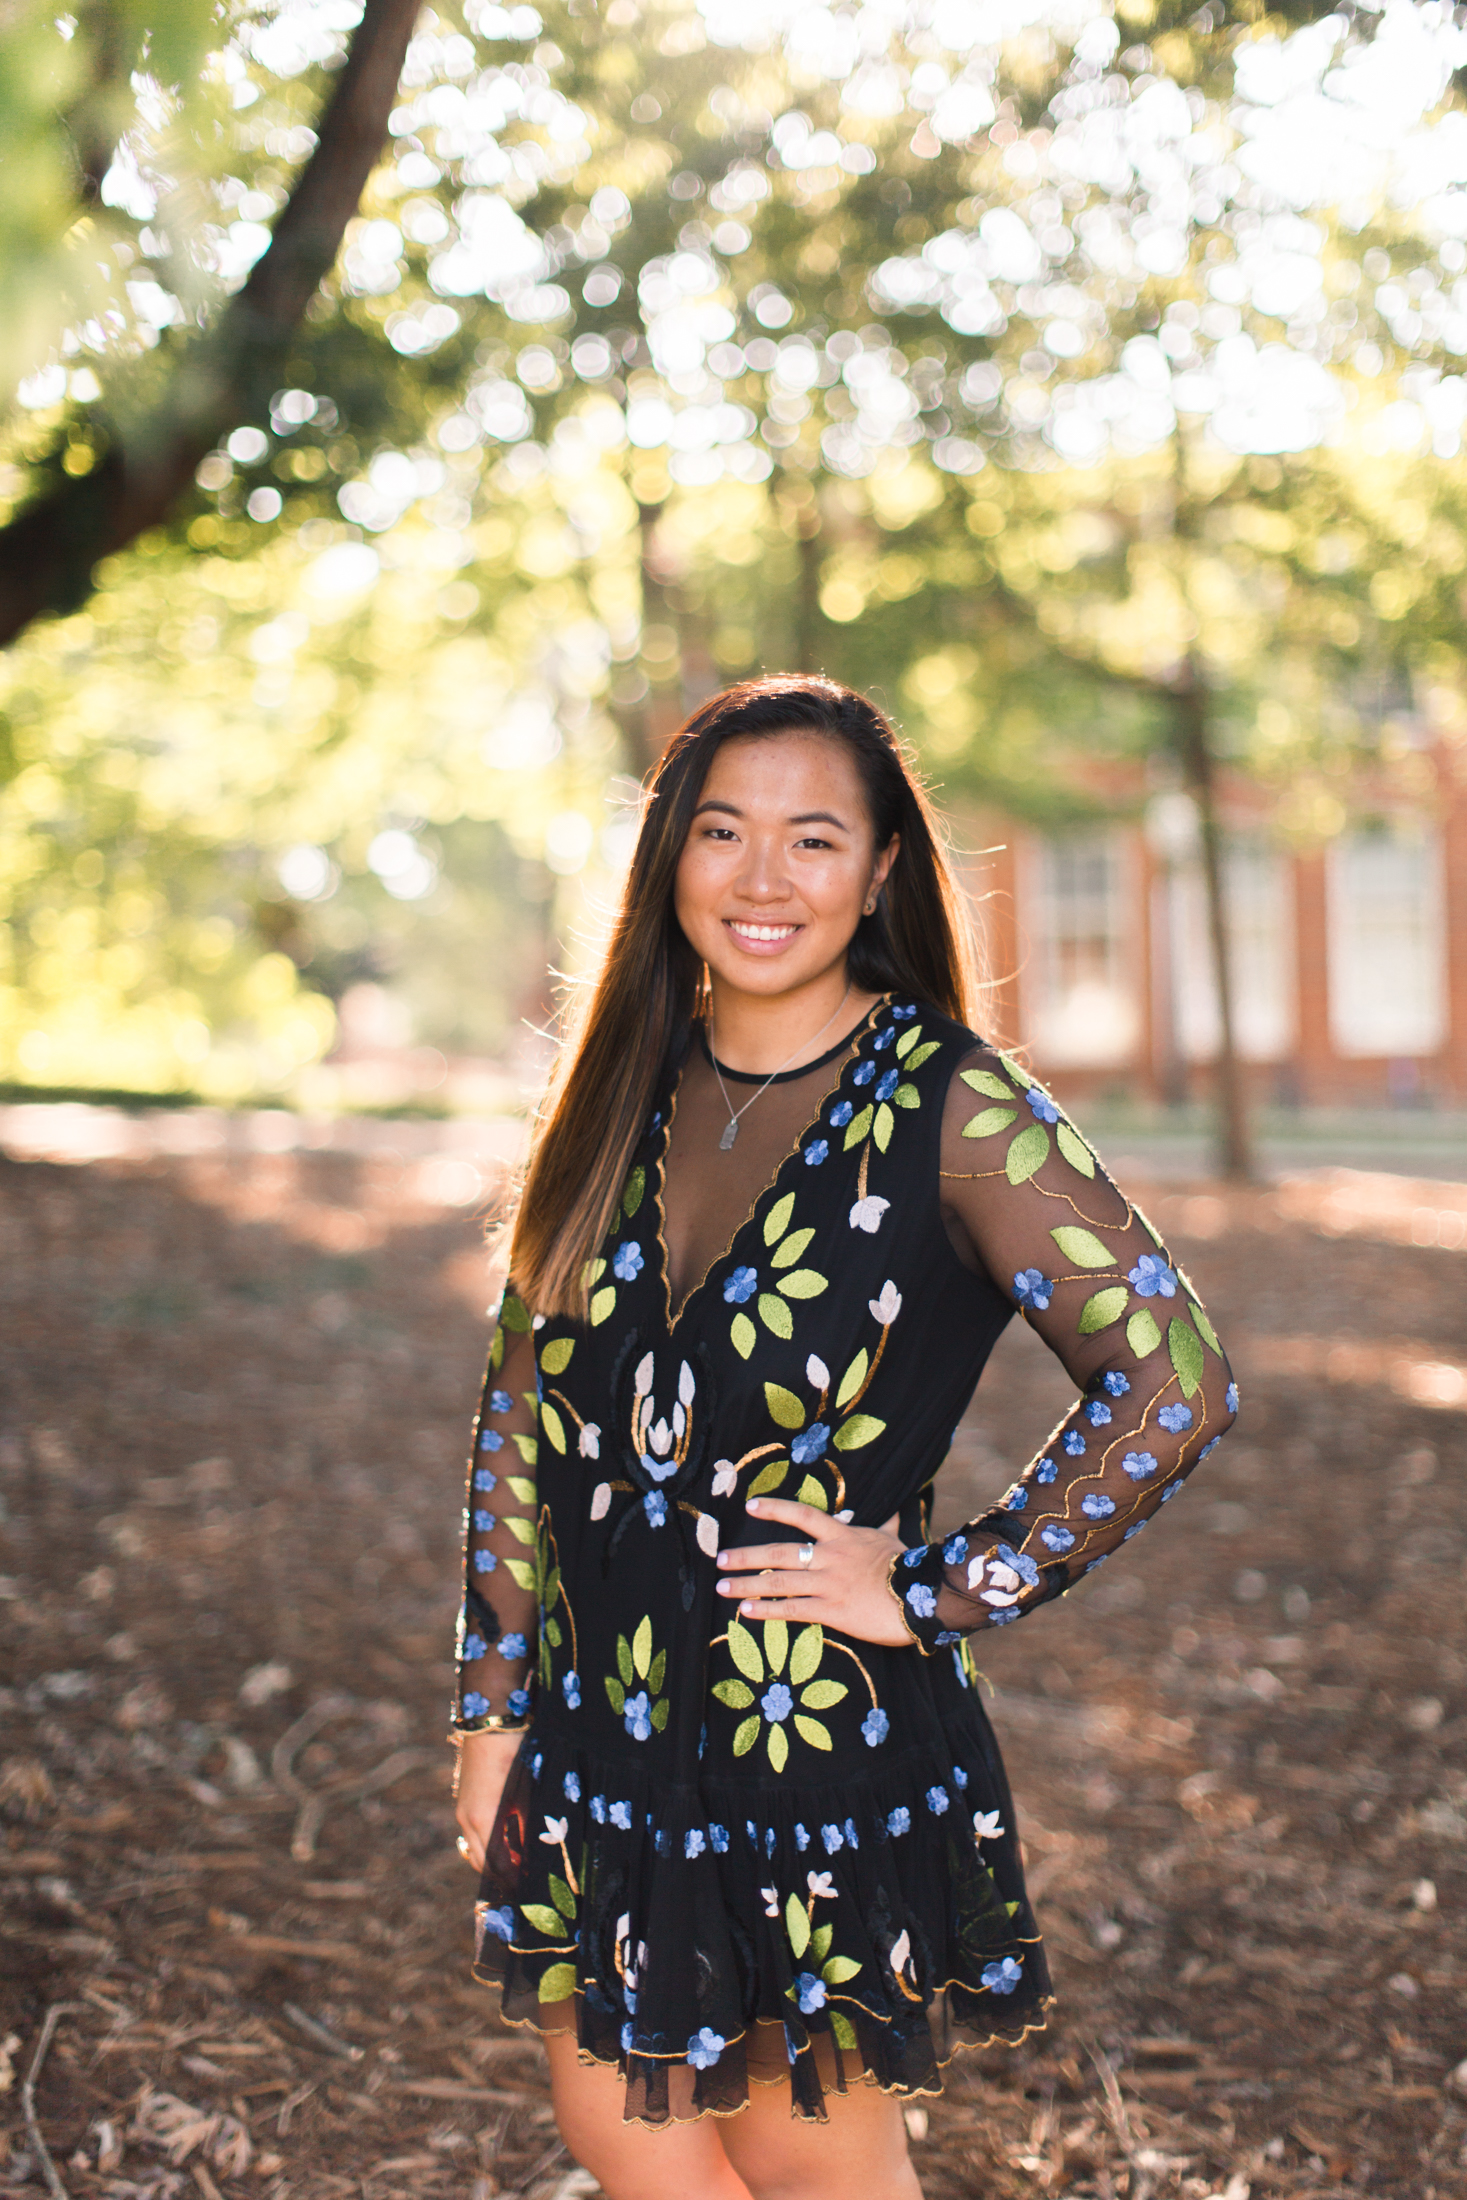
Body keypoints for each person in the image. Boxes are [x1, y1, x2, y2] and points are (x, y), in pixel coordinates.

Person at [450, 676, 1237, 2200]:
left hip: (804, 1730)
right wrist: (490, 1705)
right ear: (667, 855)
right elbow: (519, 1409)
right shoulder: (620, 1086)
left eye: (813, 840)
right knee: (628, 2140)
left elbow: (1173, 1378)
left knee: (813, 2174)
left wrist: (945, 1587)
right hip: (601, 1722)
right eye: (722, 832)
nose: (761, 879)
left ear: (881, 871)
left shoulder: (949, 1102)